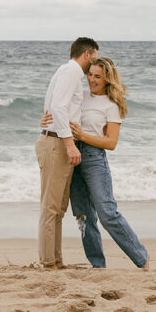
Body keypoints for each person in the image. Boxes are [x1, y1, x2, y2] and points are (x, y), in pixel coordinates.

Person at [42, 56, 148, 269]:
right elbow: (59, 108)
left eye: (98, 76)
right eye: (90, 74)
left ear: (108, 79)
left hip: (94, 159)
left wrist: (81, 136)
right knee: (83, 217)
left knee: (107, 213)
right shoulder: (80, 96)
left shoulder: (111, 105)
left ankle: (141, 258)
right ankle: (98, 265)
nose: (92, 80)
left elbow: (111, 143)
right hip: (70, 156)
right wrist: (45, 120)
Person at [36, 37, 98, 270]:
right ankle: (48, 261)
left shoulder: (69, 73)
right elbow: (58, 107)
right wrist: (70, 144)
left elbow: (55, 107)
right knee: (51, 208)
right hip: (55, 145)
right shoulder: (71, 72)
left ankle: (56, 259)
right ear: (88, 54)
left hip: (55, 140)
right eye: (95, 56)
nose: (96, 61)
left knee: (59, 208)